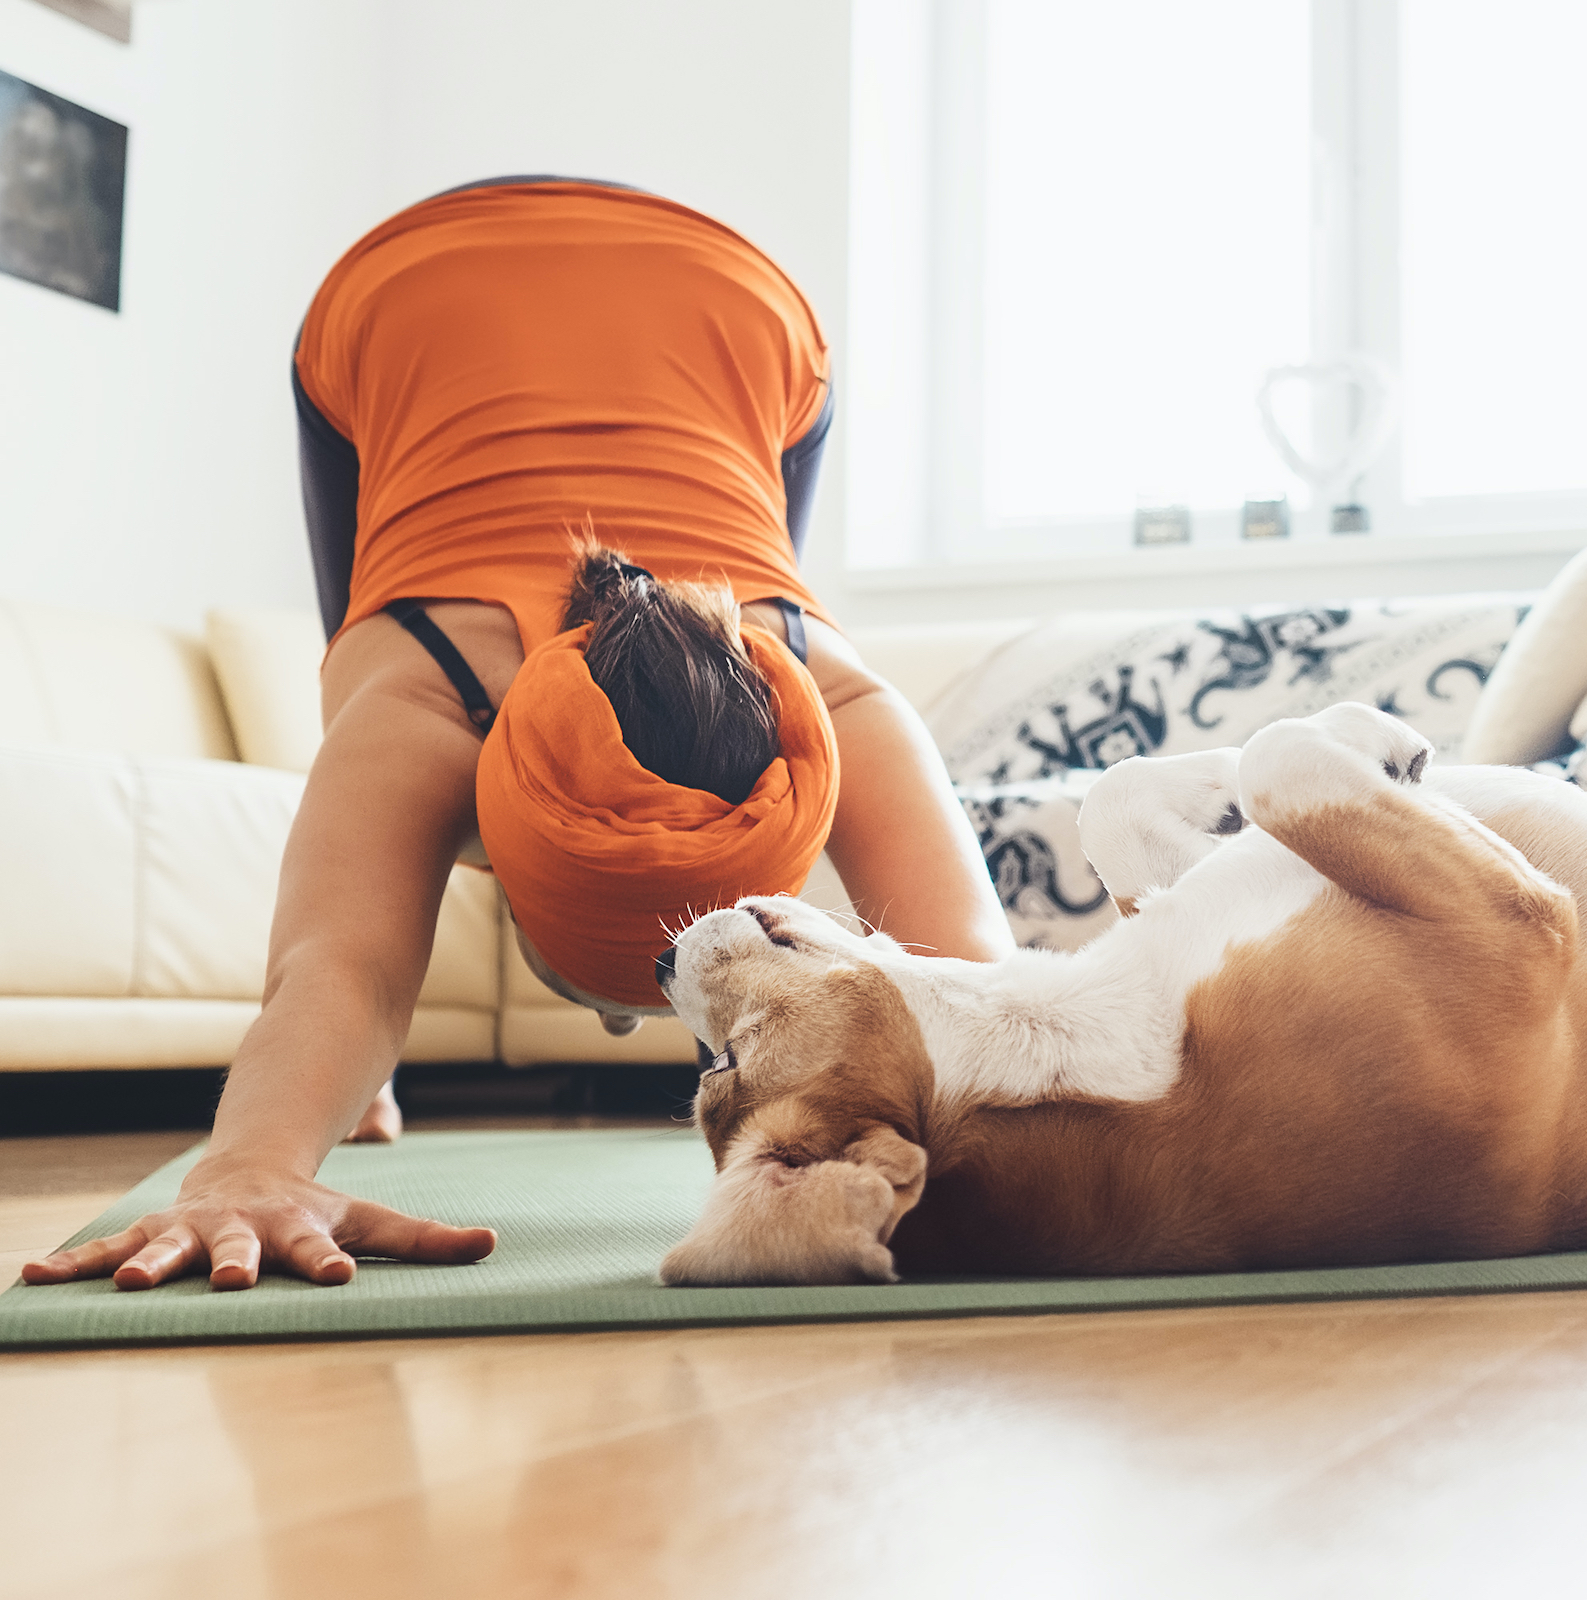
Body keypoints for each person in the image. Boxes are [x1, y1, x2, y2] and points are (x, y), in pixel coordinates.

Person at [20, 178, 1012, 1294]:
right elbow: (342, 966)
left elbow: (985, 993)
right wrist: (246, 1164)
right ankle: (339, 1079)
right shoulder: (424, 698)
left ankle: (343, 1076)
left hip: (731, 311)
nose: (609, 1024)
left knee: (369, 750)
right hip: (414, 295)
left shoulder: (828, 706)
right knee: (356, 672)